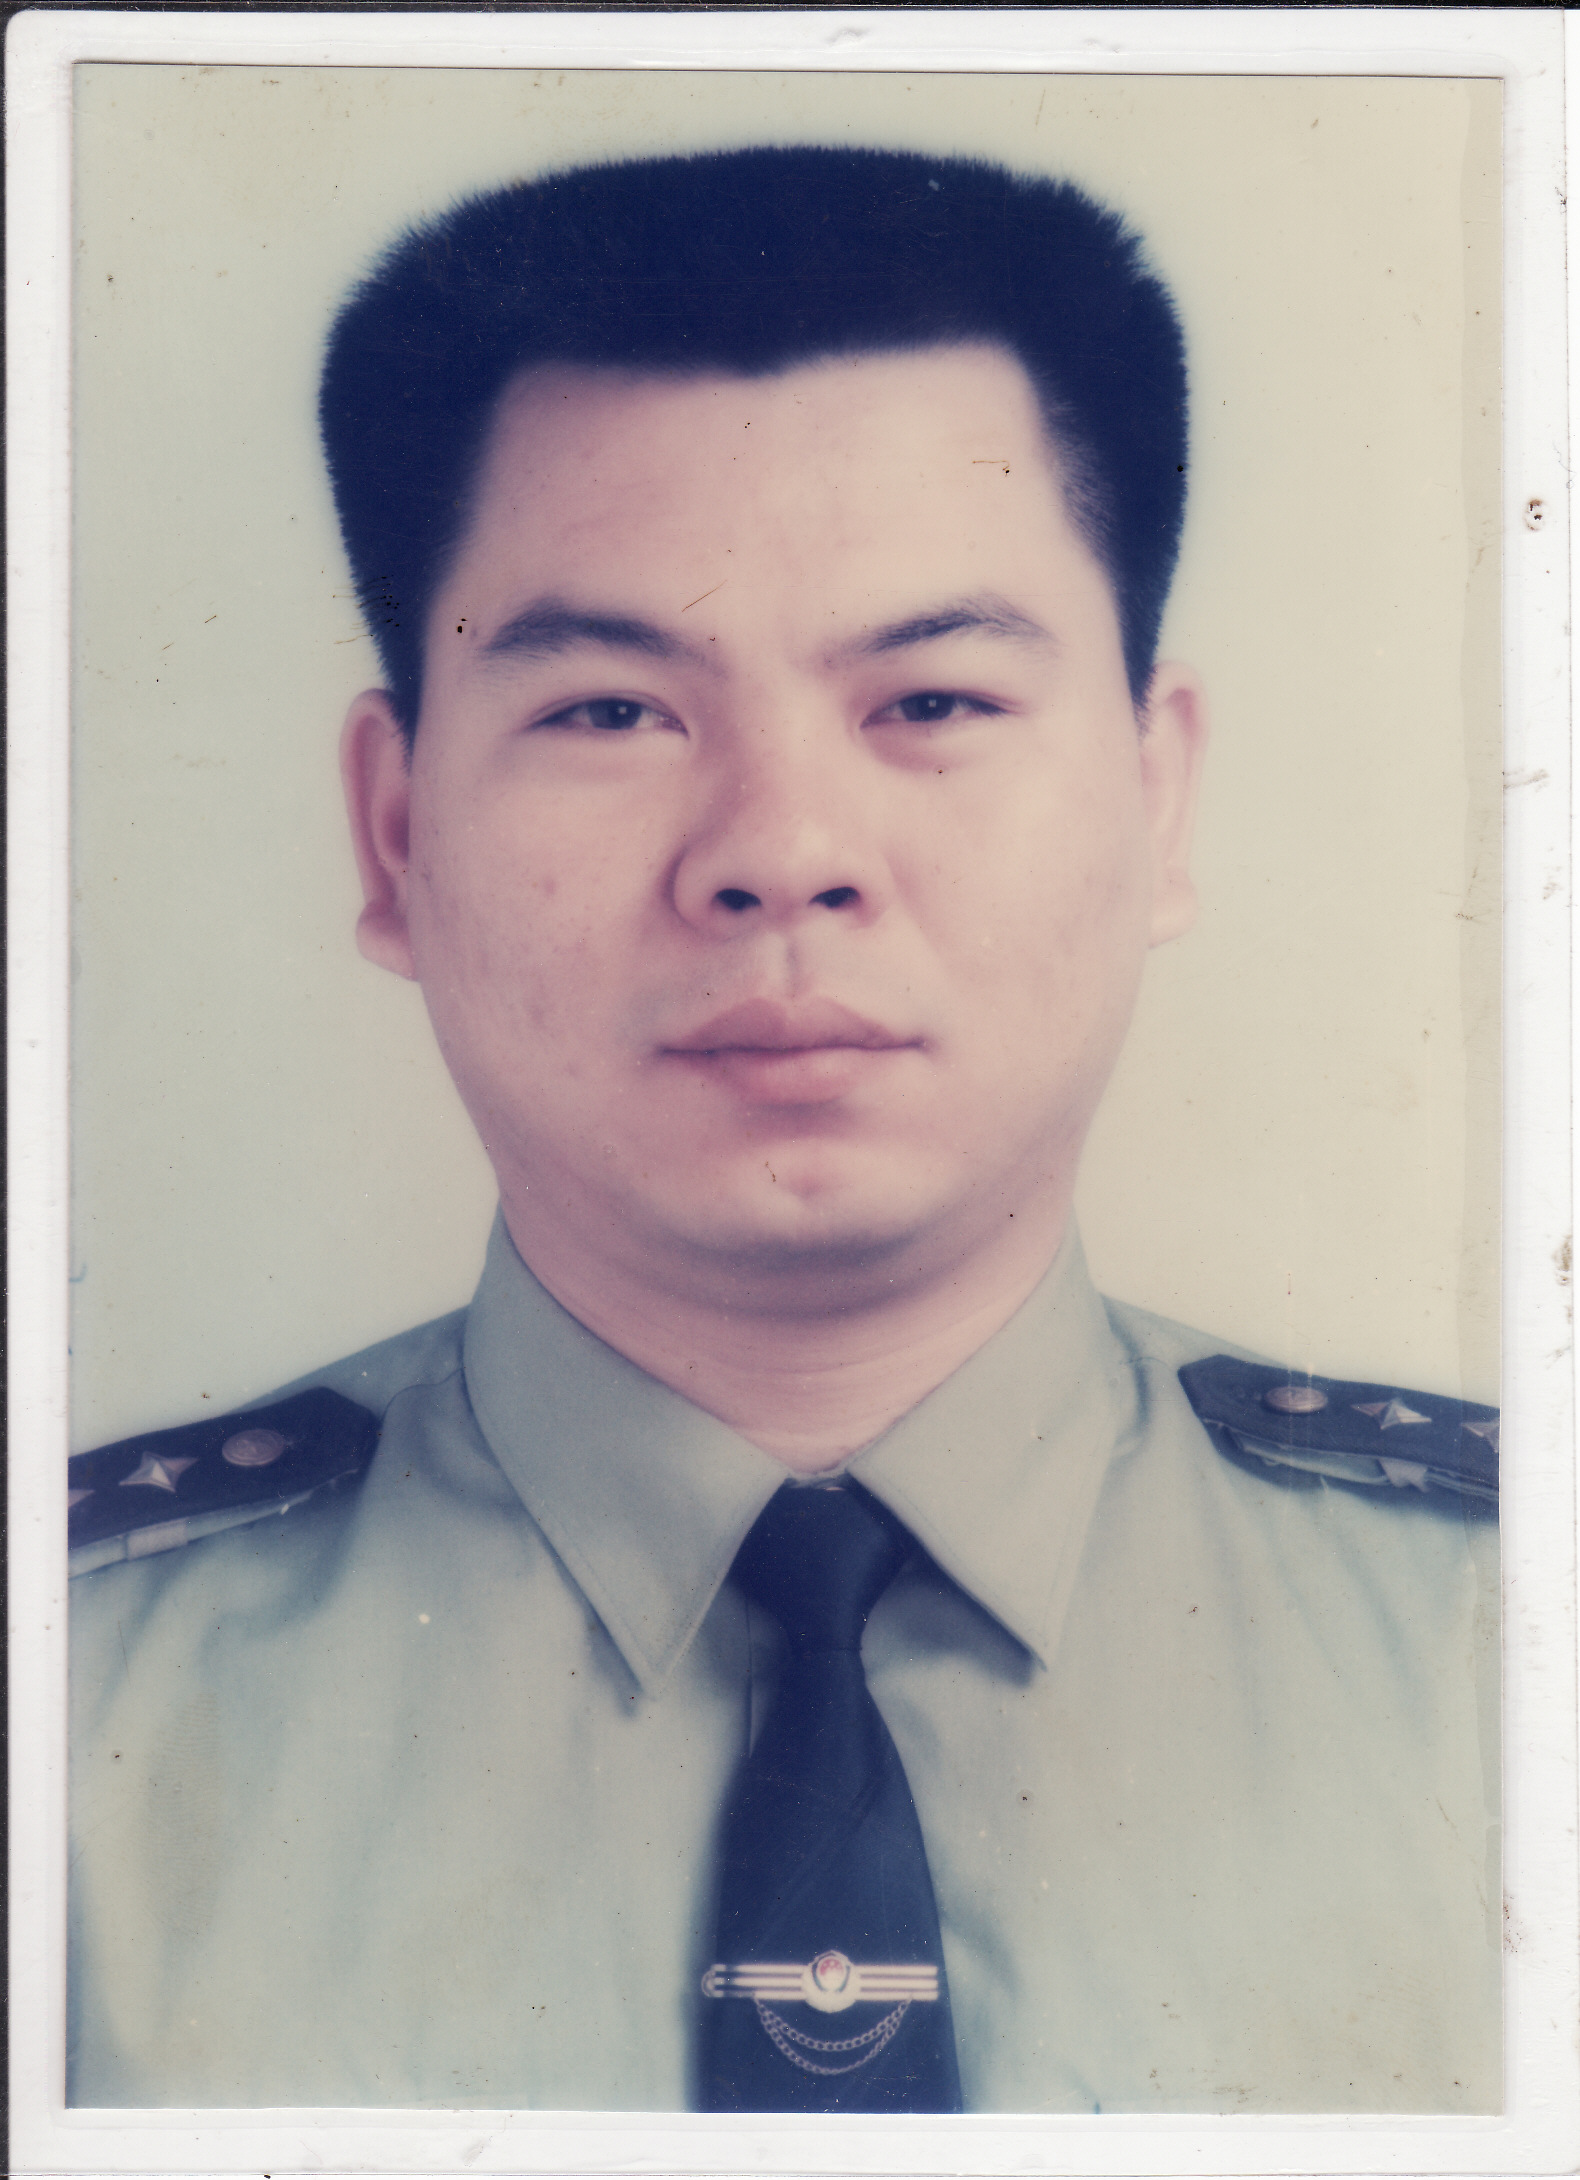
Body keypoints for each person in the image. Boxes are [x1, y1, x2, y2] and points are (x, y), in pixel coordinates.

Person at [67, 145, 1499, 2114]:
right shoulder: (67, 1705)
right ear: (395, 838)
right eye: (609, 712)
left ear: (1156, 796)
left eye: (932, 701)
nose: (783, 852)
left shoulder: (1508, 1646)